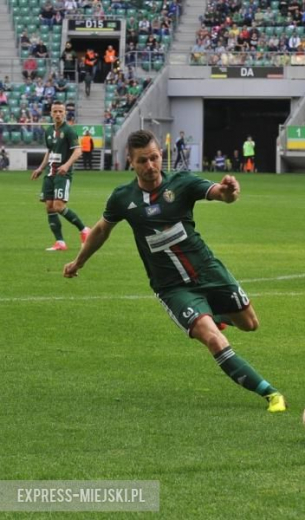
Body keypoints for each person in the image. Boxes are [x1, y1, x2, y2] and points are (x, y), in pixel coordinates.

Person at [62, 129, 288, 413]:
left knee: (249, 323)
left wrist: (229, 191)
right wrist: (78, 262)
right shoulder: (122, 198)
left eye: (155, 158)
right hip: (172, 288)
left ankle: (211, 313)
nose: (151, 166)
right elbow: (101, 230)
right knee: (212, 338)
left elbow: (219, 193)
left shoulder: (180, 183)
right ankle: (270, 393)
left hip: (207, 270)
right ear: (131, 162)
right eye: (143, 161)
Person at [30, 99, 90, 251]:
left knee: (58, 206)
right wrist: (40, 168)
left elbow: (78, 151)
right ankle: (60, 243)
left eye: (60, 111)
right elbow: (50, 152)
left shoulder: (69, 131)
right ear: (51, 113)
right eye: (55, 111)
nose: (57, 114)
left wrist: (66, 165)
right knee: (49, 207)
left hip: (63, 174)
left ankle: (84, 230)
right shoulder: (49, 131)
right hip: (50, 173)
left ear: (65, 113)